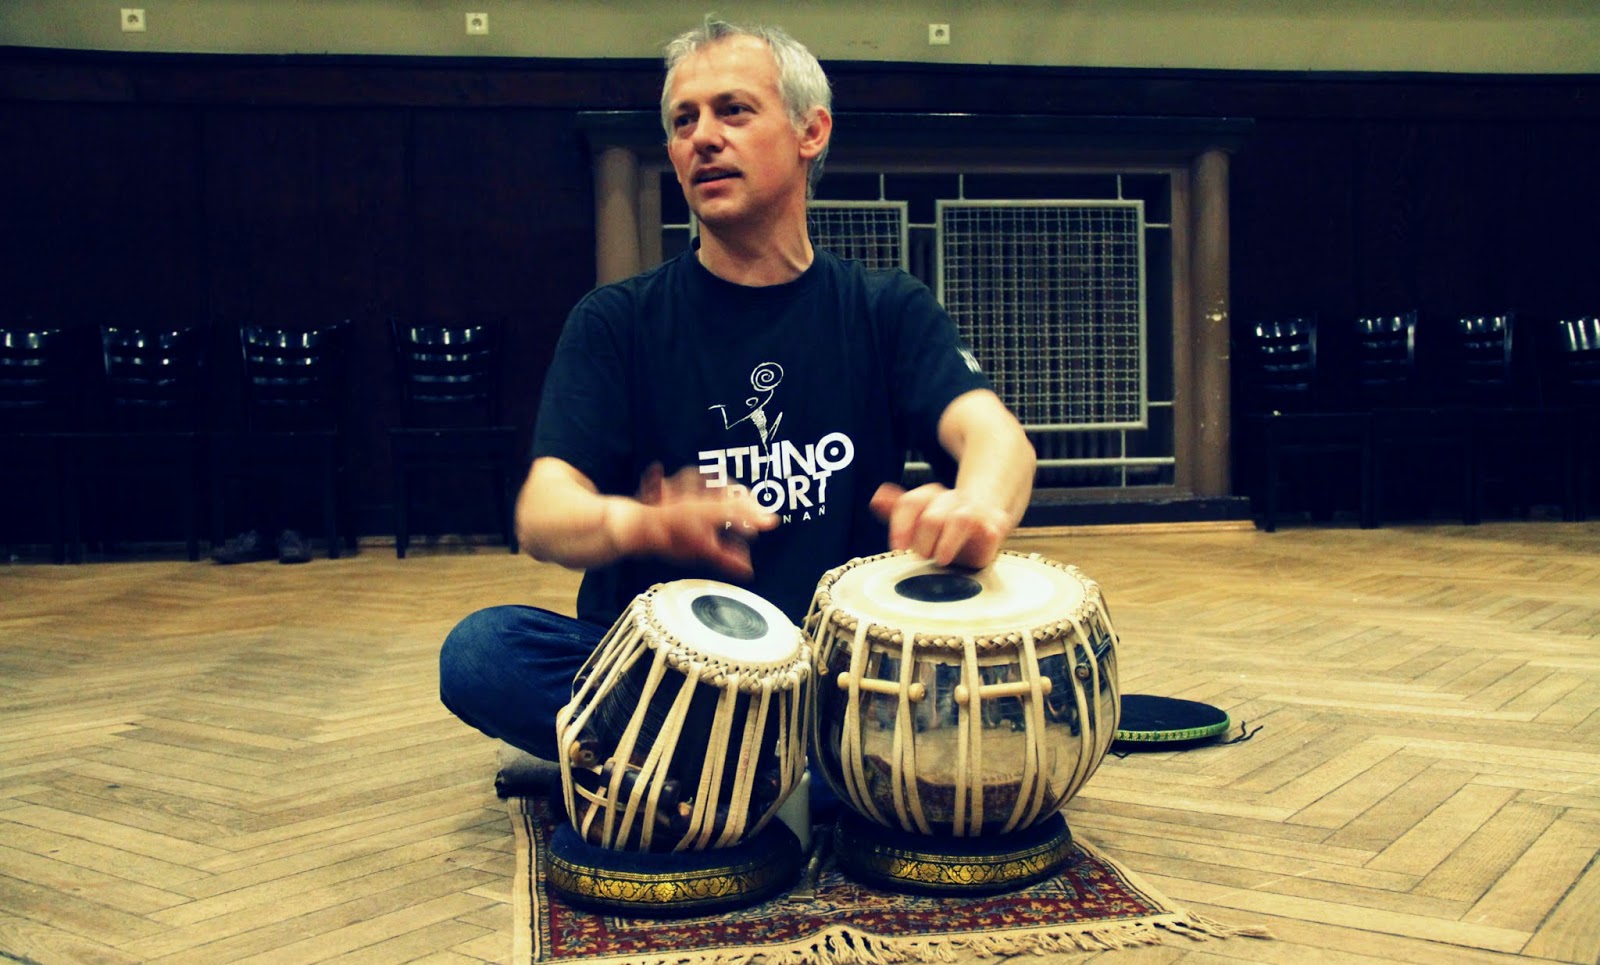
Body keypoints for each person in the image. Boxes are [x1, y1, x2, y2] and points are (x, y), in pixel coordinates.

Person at [438, 19, 1035, 773]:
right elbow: (543, 511)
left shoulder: (884, 308)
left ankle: (710, 773)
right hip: (670, 670)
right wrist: (643, 523)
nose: (703, 138)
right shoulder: (617, 320)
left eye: (733, 110)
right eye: (683, 121)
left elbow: (995, 437)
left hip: (835, 668)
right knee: (481, 652)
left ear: (810, 131)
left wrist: (975, 508)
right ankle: (809, 773)